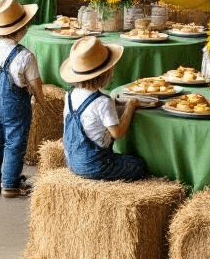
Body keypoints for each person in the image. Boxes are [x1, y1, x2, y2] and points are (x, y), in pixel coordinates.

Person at [59, 35, 147, 182]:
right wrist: (130, 106)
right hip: (95, 165)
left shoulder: (69, 95)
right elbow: (117, 133)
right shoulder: (103, 101)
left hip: (72, 161)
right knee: (139, 165)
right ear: (107, 73)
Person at [0, 0, 43, 198]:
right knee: (15, 143)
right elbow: (35, 84)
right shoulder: (25, 56)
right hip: (16, 105)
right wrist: (41, 101)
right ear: (21, 29)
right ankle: (10, 184)